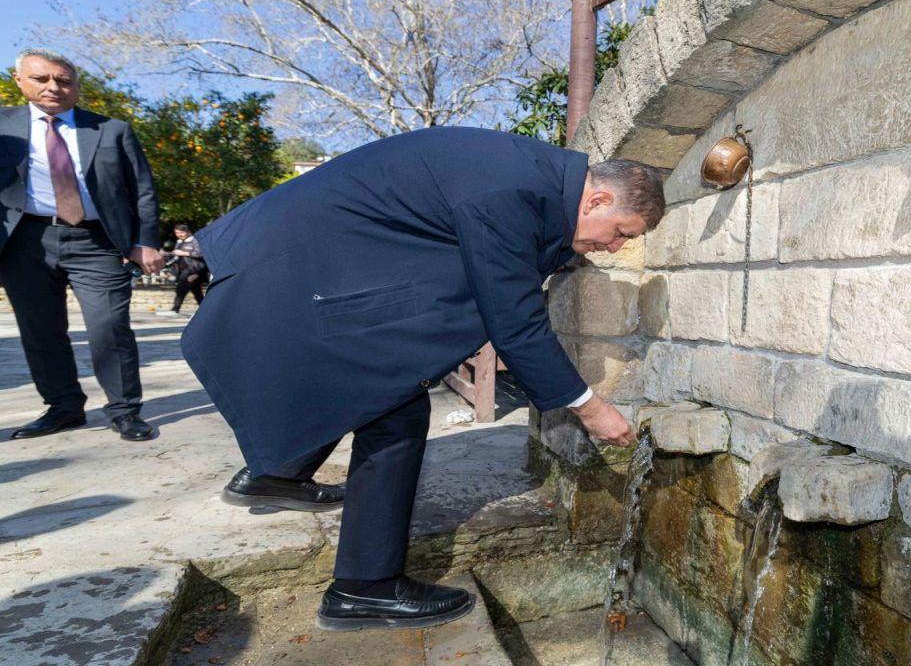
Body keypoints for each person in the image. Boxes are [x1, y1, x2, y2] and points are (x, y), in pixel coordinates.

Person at [180, 127, 663, 632]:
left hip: (318, 257)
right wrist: (589, 406)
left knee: (376, 380)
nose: (612, 248)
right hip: (301, 265)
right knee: (396, 410)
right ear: (599, 197)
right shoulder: (511, 189)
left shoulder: (528, 175)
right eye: (621, 233)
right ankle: (363, 588)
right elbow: (515, 318)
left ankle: (276, 475)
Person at [1, 49, 164, 441]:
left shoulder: (112, 129)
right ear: (19, 80)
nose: (53, 87)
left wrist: (146, 242)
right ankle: (63, 408)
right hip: (26, 241)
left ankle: (125, 411)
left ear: (76, 86)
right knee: (41, 330)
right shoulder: (2, 128)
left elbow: (141, 189)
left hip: (97, 240)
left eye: (64, 80)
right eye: (41, 79)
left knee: (109, 327)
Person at [168, 223, 207, 313]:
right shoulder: (179, 242)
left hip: (193, 270)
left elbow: (201, 253)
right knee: (197, 292)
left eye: (180, 233)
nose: (178, 235)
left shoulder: (196, 241)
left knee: (181, 289)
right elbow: (176, 256)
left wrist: (184, 253)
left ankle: (175, 309)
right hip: (183, 270)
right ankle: (206, 310)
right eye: (176, 233)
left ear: (187, 231)